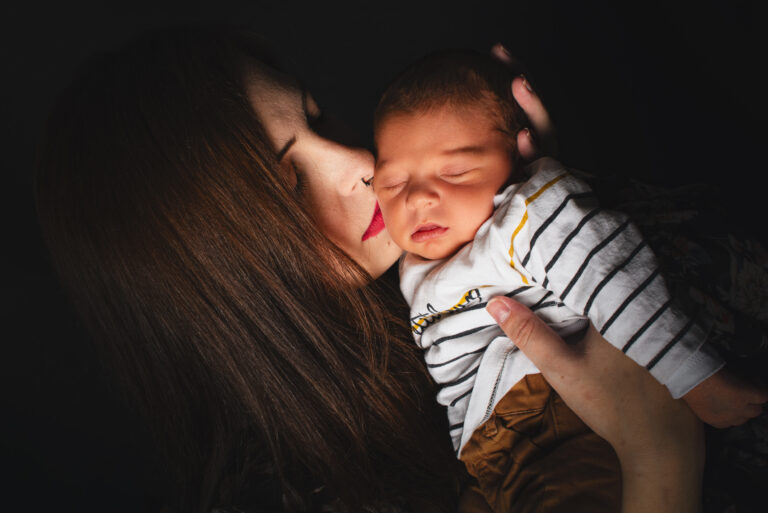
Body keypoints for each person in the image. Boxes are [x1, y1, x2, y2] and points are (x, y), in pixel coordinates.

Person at [33, 26, 707, 513]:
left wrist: (531, 211)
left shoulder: (445, 268)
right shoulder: (294, 491)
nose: (362, 166)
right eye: (294, 181)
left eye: (319, 117)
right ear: (218, 284)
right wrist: (662, 465)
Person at [371, 50, 767, 511]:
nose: (418, 198)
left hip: (558, 412)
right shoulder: (410, 262)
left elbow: (618, 280)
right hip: (490, 449)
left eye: (455, 172)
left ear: (514, 164)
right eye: (393, 183)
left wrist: (697, 379)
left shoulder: (525, 219)